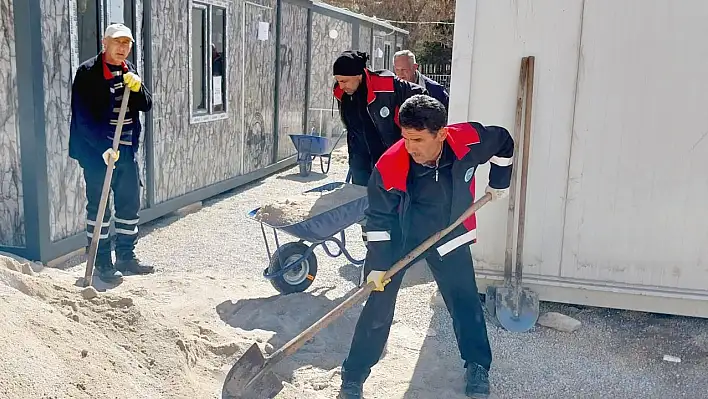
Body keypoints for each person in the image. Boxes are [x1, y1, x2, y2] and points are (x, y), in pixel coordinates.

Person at [337, 95, 515, 399]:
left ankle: (477, 365)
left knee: (465, 301)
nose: (410, 147)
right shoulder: (390, 165)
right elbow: (377, 220)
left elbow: (504, 141)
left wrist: (499, 181)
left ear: (442, 133)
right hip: (400, 239)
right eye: (406, 138)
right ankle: (353, 376)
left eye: (418, 139)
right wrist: (378, 266)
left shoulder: (469, 141)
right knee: (377, 306)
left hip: (448, 232)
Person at [69, 23, 154, 283]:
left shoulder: (129, 71)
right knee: (100, 207)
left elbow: (146, 105)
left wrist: (138, 87)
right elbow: (82, 118)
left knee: (129, 203)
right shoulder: (87, 73)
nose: (122, 48)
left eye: (127, 43)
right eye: (117, 42)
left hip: (126, 150)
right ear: (105, 43)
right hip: (97, 152)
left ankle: (126, 257)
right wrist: (103, 147)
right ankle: (101, 262)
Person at [333, 50, 427, 186]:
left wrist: (411, 130)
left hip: (387, 157)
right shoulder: (342, 91)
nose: (341, 86)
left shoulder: (385, 84)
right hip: (359, 161)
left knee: (387, 199)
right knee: (361, 200)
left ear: (358, 75)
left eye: (344, 81)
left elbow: (420, 94)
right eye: (338, 81)